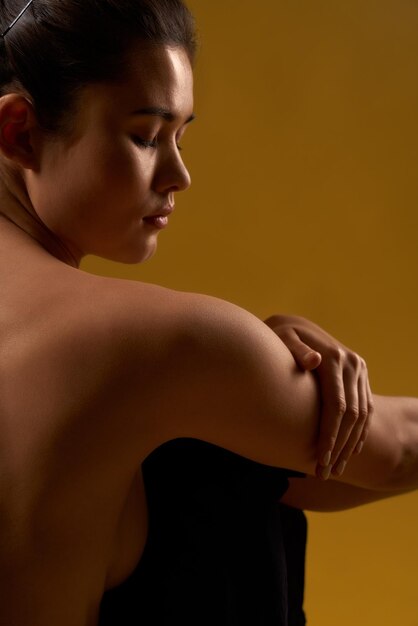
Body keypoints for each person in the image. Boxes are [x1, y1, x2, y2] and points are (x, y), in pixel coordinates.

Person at [0, 1, 416, 625]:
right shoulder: (168, 347)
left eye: (180, 136)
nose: (180, 174)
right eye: (145, 135)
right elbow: (398, 449)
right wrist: (259, 362)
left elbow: (299, 469)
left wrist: (263, 375)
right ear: (22, 132)